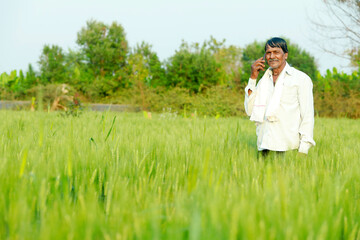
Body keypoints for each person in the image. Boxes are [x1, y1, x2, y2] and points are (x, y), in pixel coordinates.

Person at [244, 37, 315, 156]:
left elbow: (307, 116)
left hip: (288, 149)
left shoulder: (300, 79)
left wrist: (303, 150)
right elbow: (250, 111)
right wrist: (253, 78)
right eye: (268, 53)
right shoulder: (263, 81)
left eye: (276, 52)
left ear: (285, 55)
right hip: (264, 147)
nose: (272, 56)